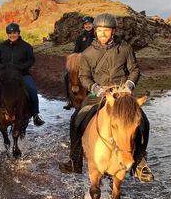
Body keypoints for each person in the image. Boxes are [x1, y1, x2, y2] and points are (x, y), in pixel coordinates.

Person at [58, 13, 152, 182]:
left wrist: (129, 86)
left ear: (113, 31)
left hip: (122, 93)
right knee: (76, 118)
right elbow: (84, 77)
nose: (102, 34)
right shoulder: (87, 53)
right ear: (95, 31)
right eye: (99, 30)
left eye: (106, 30)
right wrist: (97, 89)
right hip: (99, 94)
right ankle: (74, 158)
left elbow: (134, 70)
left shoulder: (125, 48)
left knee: (143, 121)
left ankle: (140, 162)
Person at [0, 23, 45, 127]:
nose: (12, 35)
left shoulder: (26, 46)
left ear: (19, 33)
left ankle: (36, 115)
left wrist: (23, 66)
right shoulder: (2, 46)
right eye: (10, 33)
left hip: (21, 74)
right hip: (4, 75)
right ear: (7, 34)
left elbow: (31, 59)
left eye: (14, 33)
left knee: (32, 90)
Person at [63, 15, 96, 109]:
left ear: (93, 25)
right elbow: (76, 51)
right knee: (66, 77)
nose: (87, 26)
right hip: (81, 63)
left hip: (93, 63)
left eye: (89, 24)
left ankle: (93, 96)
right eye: (85, 24)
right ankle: (70, 99)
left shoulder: (96, 37)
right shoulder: (80, 38)